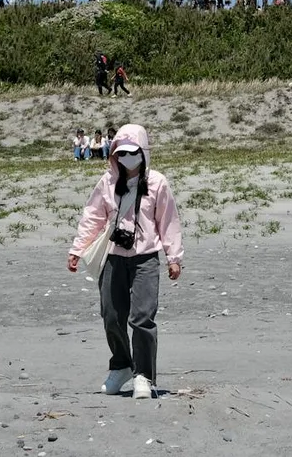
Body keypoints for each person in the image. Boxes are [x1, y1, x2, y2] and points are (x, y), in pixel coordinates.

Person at [67, 125, 185, 401]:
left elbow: (168, 221)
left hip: (146, 258)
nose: (127, 158)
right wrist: (77, 249)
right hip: (114, 257)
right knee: (111, 315)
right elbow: (93, 217)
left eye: (133, 153)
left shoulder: (157, 182)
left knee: (142, 318)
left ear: (143, 153)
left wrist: (174, 258)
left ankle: (143, 375)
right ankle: (121, 365)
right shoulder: (108, 182)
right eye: (121, 153)